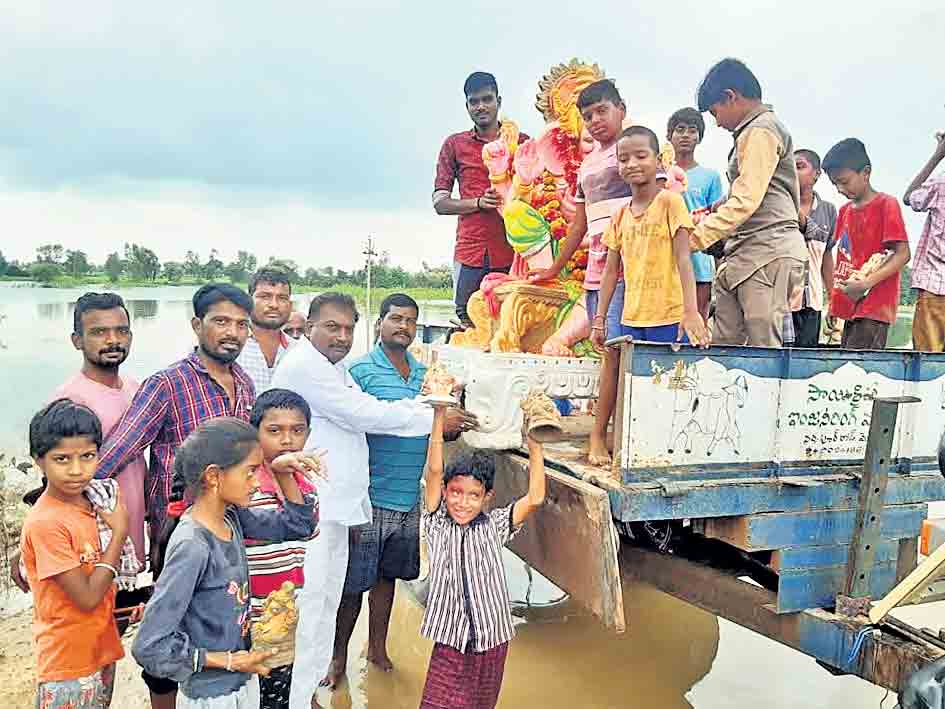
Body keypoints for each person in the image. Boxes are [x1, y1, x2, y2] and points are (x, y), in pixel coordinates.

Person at [270, 293, 476, 709]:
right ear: (309, 326)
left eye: (348, 328)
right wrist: (435, 418)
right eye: (332, 326)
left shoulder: (337, 368)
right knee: (316, 606)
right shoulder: (308, 366)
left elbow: (380, 408)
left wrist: (438, 405)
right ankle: (303, 692)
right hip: (317, 510)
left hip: (341, 507)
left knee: (326, 605)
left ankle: (308, 693)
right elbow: (363, 413)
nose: (341, 336)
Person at [96, 283, 256, 707]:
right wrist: (56, 501)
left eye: (242, 324)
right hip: (177, 532)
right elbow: (119, 448)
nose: (233, 332)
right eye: (221, 321)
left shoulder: (244, 382)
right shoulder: (167, 383)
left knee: (218, 617)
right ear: (196, 325)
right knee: (166, 630)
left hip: (227, 529)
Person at [132, 418, 319, 709]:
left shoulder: (231, 518)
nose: (257, 483)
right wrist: (228, 660)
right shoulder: (193, 546)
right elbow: (150, 646)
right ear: (214, 476)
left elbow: (299, 525)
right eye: (250, 472)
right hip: (211, 695)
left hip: (240, 682)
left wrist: (283, 474)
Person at [10, 292, 147, 593]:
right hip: (88, 546)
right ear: (77, 340)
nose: (113, 340)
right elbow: (54, 479)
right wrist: (31, 541)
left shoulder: (138, 389)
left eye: (121, 331)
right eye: (99, 332)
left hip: (126, 534)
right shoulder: (71, 400)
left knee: (112, 629)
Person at [328, 294, 431, 684]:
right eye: (396, 319)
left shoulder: (426, 375)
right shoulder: (359, 371)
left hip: (409, 496)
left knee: (388, 578)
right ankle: (338, 659)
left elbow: (436, 424)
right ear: (380, 325)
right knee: (353, 583)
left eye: (410, 321)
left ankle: (377, 649)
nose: (403, 327)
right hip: (369, 497)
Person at [529, 79, 631, 466]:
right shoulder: (589, 163)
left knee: (617, 355)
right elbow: (579, 223)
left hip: (629, 269)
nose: (595, 121)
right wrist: (554, 267)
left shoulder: (632, 150)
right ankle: (603, 435)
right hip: (597, 270)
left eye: (602, 111)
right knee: (608, 351)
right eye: (587, 116)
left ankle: (604, 438)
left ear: (621, 107)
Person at [418, 406, 546, 709]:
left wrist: (535, 443)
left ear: (487, 497)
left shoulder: (496, 525)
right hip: (451, 638)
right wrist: (438, 416)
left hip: (492, 638)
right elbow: (435, 470)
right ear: (445, 492)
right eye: (456, 492)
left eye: (474, 495)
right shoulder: (435, 521)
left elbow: (536, 497)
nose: (463, 502)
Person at [689, 58, 808, 347]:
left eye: (715, 112)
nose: (716, 123)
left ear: (731, 96)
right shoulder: (751, 132)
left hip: (767, 251)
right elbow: (745, 190)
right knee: (724, 347)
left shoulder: (761, 130)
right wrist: (716, 209)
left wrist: (694, 238)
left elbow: (746, 199)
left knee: (762, 349)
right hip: (742, 253)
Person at [21, 399, 129, 708]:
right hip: (67, 662)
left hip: (100, 647)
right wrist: (119, 534)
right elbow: (85, 598)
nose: (77, 470)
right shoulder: (46, 522)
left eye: (87, 456)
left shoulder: (94, 503)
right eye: (62, 459)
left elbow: (100, 577)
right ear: (38, 461)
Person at [592, 125, 710, 356]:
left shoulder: (671, 203)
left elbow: (684, 259)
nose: (632, 164)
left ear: (657, 161)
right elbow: (610, 272)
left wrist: (691, 312)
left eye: (641, 156)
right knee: (635, 384)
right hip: (632, 319)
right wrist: (599, 319)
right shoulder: (620, 215)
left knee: (670, 384)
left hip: (671, 317)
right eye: (624, 159)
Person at [434, 72, 528, 327]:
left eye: (487, 99)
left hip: (515, 251)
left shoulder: (522, 143)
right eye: (474, 101)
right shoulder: (454, 145)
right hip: (470, 252)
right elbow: (440, 203)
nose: (481, 106)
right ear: (467, 106)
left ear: (499, 101)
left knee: (514, 324)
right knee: (468, 319)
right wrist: (477, 203)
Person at [246, 389, 320, 709]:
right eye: (274, 431)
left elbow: (305, 530)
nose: (287, 440)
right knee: (241, 693)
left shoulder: (305, 484)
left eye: (297, 430)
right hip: (243, 614)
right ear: (255, 433)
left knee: (275, 695)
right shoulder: (244, 484)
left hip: (282, 614)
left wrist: (285, 474)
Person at [824, 138, 911, 350]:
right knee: (846, 362)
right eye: (835, 183)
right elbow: (843, 260)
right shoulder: (844, 212)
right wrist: (834, 304)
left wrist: (866, 283)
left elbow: (903, 254)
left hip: (875, 306)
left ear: (866, 172)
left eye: (844, 181)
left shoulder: (886, 205)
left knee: (860, 368)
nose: (839, 189)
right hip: (849, 305)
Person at [666, 107, 726, 322]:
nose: (685, 135)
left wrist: (720, 271)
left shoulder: (710, 177)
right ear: (669, 135)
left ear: (699, 137)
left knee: (696, 322)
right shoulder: (660, 174)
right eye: (680, 130)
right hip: (666, 258)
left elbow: (718, 224)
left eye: (692, 131)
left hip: (699, 262)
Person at [903, 131, 945, 352]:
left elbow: (910, 196)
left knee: (928, 364)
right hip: (934, 287)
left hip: (935, 286)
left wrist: (938, 155)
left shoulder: (940, 183)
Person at [792, 149, 838, 347]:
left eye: (800, 166)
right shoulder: (780, 206)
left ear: (817, 174)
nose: (794, 172)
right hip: (781, 303)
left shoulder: (828, 210)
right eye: (790, 167)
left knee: (804, 362)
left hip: (813, 302)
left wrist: (833, 299)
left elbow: (827, 256)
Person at [238, 268, 295, 393]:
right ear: (248, 301)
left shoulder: (299, 350)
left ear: (290, 306)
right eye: (265, 296)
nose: (274, 305)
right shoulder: (231, 347)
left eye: (282, 298)